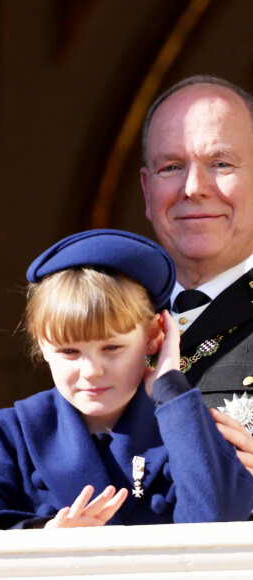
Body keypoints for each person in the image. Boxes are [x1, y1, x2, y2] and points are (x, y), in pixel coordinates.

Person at [0, 230, 253, 531]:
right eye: (70, 351)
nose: (91, 371)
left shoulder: (187, 429)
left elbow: (217, 520)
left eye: (111, 347)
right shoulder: (12, 433)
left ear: (155, 335)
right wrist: (43, 533)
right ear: (40, 345)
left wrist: (170, 386)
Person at [140, 75, 253, 472]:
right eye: (171, 167)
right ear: (146, 190)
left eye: (220, 163)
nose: (193, 188)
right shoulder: (109, 317)